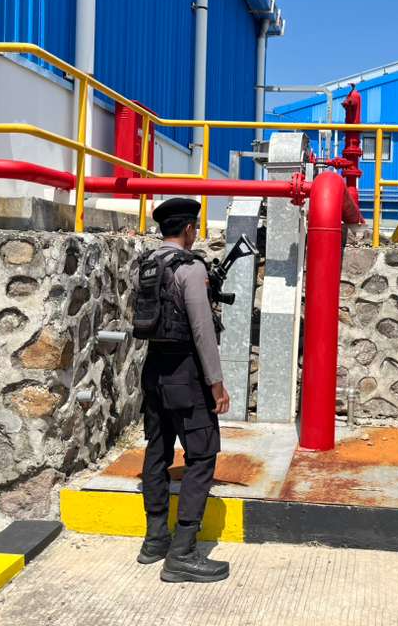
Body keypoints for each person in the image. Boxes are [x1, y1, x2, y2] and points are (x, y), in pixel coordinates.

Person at [135, 197, 231, 583]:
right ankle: (183, 553)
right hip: (186, 375)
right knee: (202, 456)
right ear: (189, 229)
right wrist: (216, 384)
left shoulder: (147, 263)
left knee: (157, 451)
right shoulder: (190, 267)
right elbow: (202, 329)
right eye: (195, 228)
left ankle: (155, 540)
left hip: (153, 370)